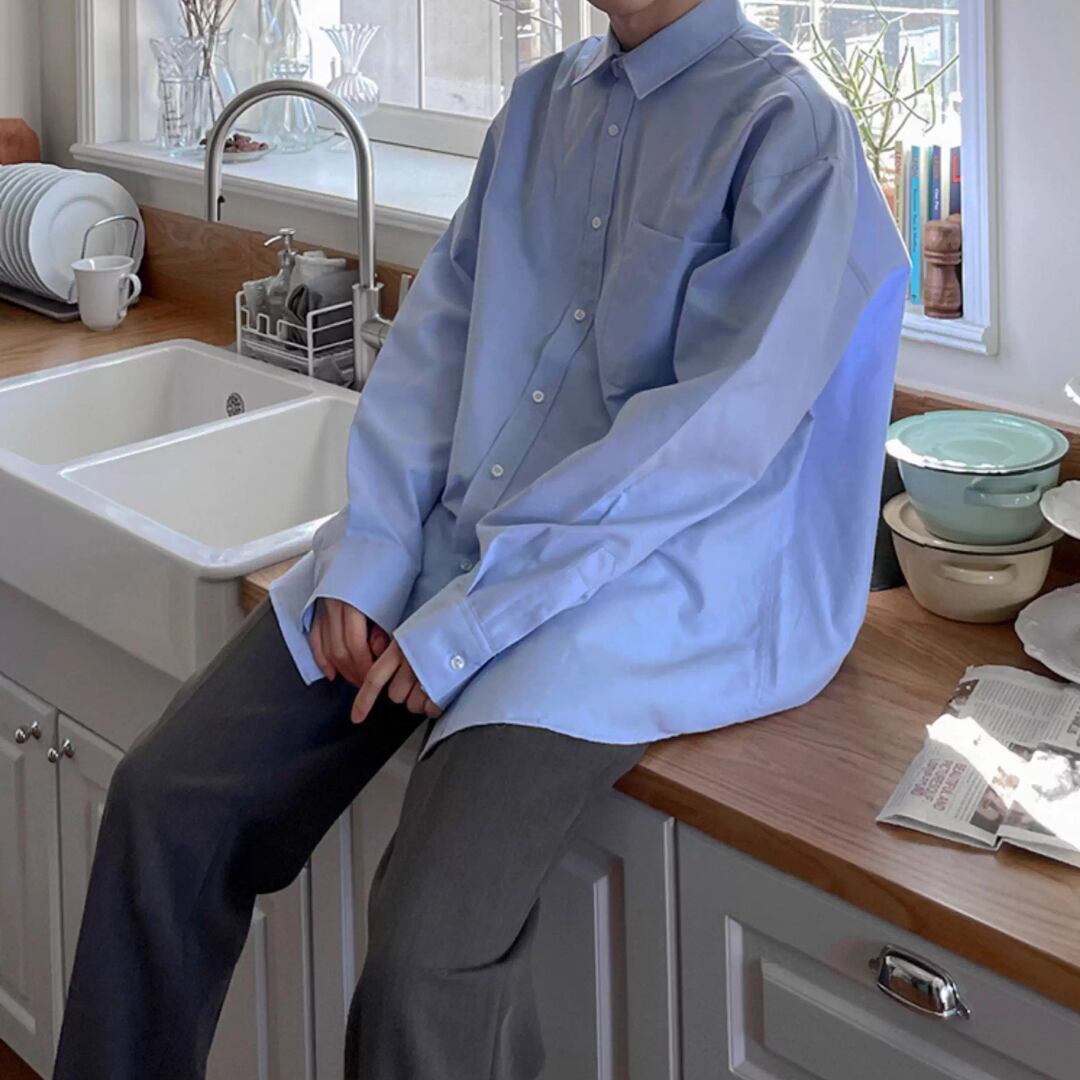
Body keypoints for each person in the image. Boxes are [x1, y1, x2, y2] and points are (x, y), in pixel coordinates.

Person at [53, 0, 910, 1076]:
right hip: (454, 547)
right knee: (163, 804)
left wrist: (474, 619)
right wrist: (371, 553)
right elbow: (436, 343)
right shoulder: (540, 105)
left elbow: (697, 444)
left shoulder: (790, 129)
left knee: (426, 964)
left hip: (635, 597)